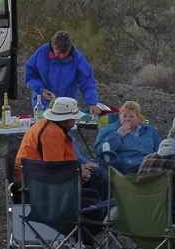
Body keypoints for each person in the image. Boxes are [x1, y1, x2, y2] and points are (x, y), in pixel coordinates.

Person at [14, 97, 107, 228]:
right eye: (74, 117)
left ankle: (80, 238)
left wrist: (79, 169)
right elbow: (55, 170)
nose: (75, 120)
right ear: (67, 119)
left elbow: (55, 166)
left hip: (37, 184)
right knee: (97, 205)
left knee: (95, 195)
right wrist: (78, 173)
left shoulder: (50, 127)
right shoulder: (51, 133)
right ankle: (78, 236)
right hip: (37, 191)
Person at [24, 30, 101, 117]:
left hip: (67, 107)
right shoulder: (42, 52)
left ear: (69, 49)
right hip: (42, 105)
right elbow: (30, 75)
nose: (61, 57)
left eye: (64, 54)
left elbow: (87, 83)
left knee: (64, 130)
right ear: (53, 46)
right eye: (58, 53)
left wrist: (92, 103)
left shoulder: (78, 58)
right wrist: (42, 89)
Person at [94, 100, 162, 175]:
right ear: (120, 117)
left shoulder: (149, 130)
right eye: (124, 116)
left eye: (131, 116)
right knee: (126, 163)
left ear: (138, 119)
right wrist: (118, 135)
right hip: (124, 163)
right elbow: (99, 151)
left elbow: (160, 148)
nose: (127, 119)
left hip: (147, 162)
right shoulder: (109, 129)